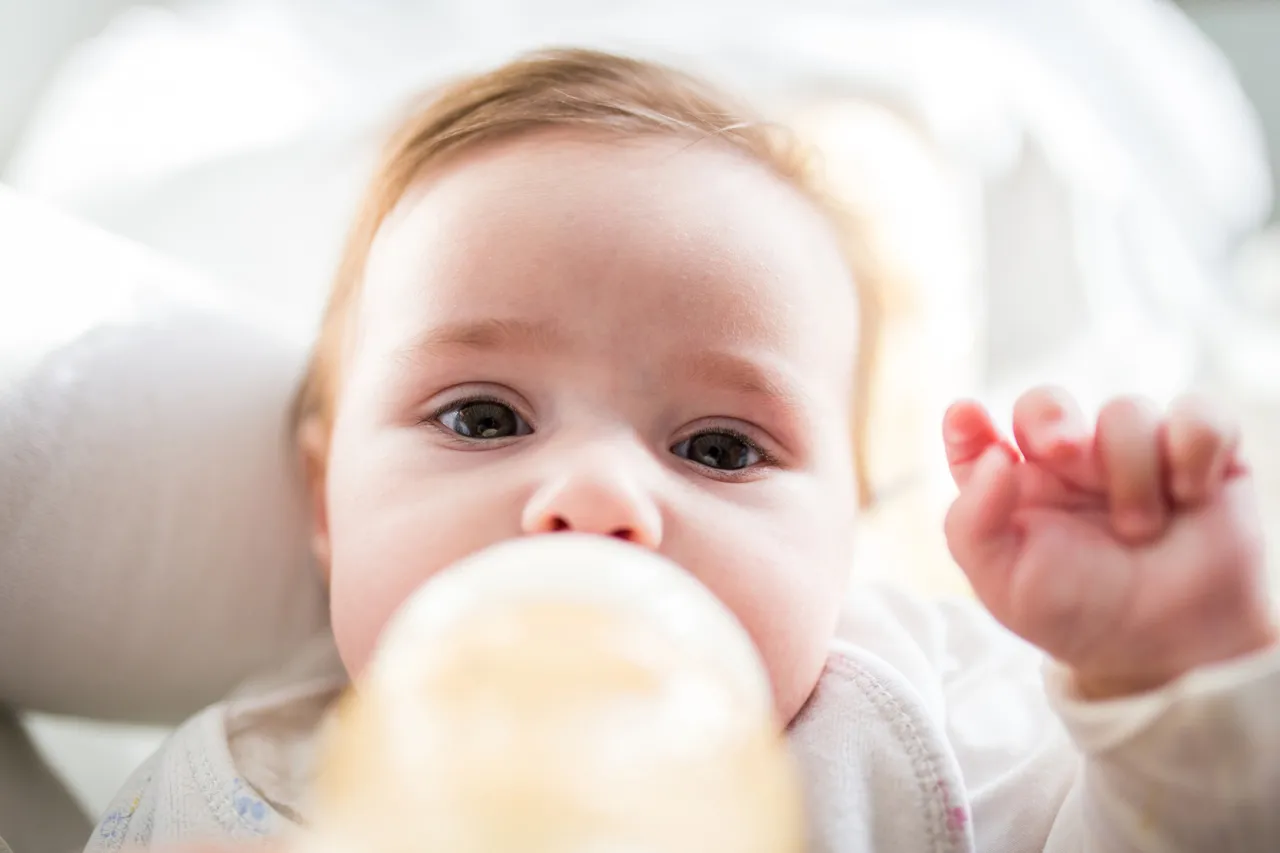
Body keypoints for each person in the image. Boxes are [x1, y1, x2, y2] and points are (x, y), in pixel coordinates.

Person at [86, 48, 1279, 852]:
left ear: (845, 539)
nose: (600, 495)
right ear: (326, 500)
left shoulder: (916, 735)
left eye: (717, 445)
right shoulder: (220, 800)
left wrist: (1163, 681)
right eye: (482, 419)